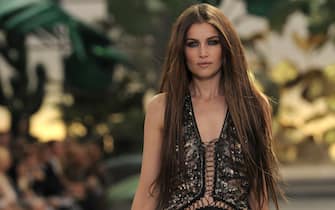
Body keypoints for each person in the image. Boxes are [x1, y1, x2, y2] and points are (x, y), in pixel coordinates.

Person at [131, 3, 283, 210]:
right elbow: (149, 190)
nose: (203, 52)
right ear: (181, 50)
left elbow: (258, 195)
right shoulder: (162, 108)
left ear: (226, 47)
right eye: (192, 44)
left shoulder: (254, 106)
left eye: (212, 42)